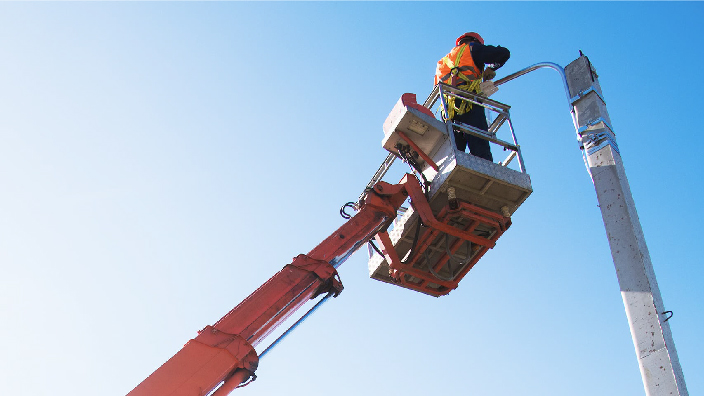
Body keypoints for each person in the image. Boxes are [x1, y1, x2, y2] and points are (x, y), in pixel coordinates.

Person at [434, 32, 510, 161]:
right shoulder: (472, 48)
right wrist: (491, 68)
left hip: (448, 110)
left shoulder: (442, 62)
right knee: (480, 148)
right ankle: (486, 171)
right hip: (468, 101)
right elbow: (503, 53)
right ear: (474, 41)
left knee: (455, 153)